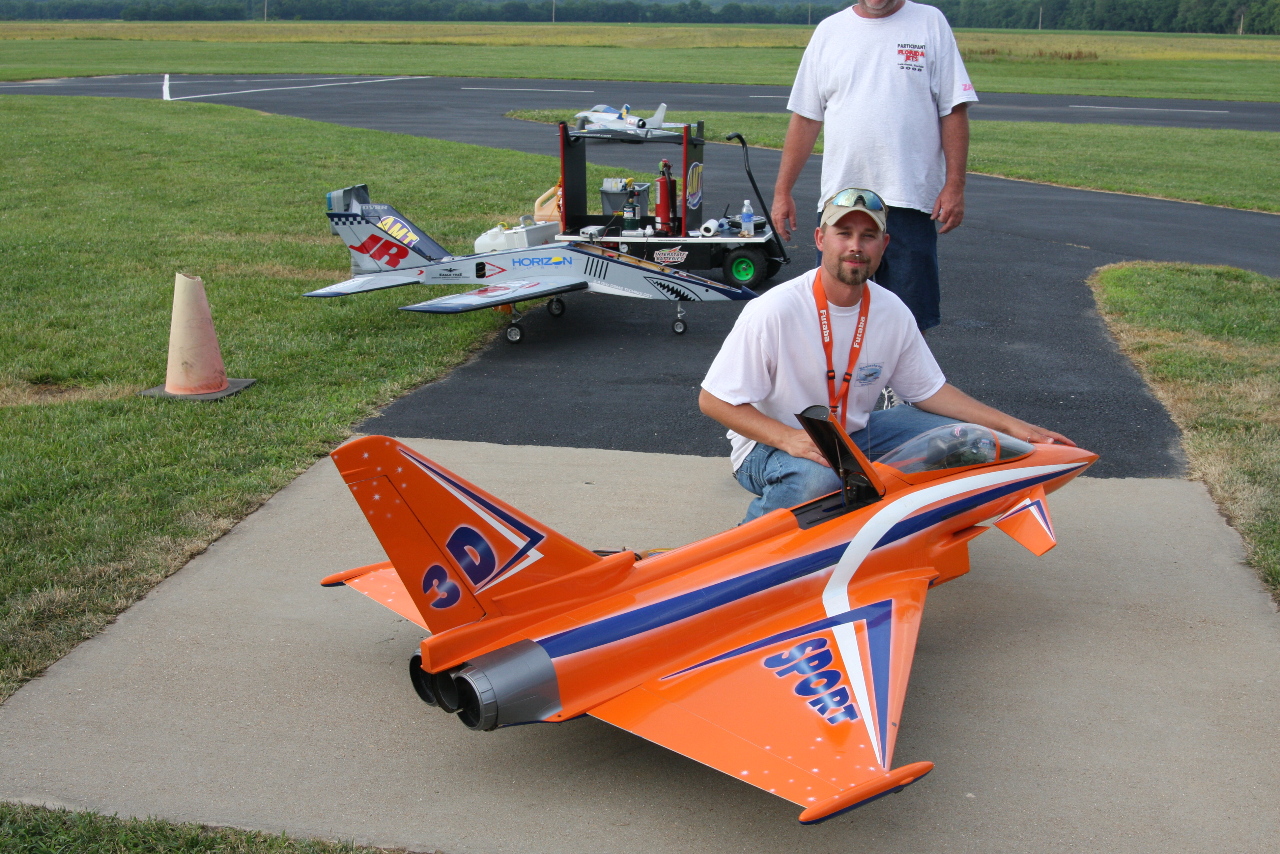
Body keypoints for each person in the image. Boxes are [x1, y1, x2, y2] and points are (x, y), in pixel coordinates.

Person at [699, 189, 1073, 523]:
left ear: (884, 243)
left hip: (851, 436)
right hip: (769, 446)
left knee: (965, 441)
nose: (855, 246)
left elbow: (929, 391)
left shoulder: (891, 311)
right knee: (820, 479)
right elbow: (713, 400)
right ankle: (749, 547)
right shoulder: (775, 310)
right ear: (820, 239)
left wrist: (1011, 427)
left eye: (868, 235)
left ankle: (899, 529)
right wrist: (788, 439)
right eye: (844, 233)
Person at [771, 0, 977, 332]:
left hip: (908, 201)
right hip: (841, 204)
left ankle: (897, 371)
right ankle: (841, 370)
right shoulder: (829, 32)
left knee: (908, 323)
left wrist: (955, 185)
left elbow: (953, 109)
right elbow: (806, 118)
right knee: (835, 318)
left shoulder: (930, 23)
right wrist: (783, 191)